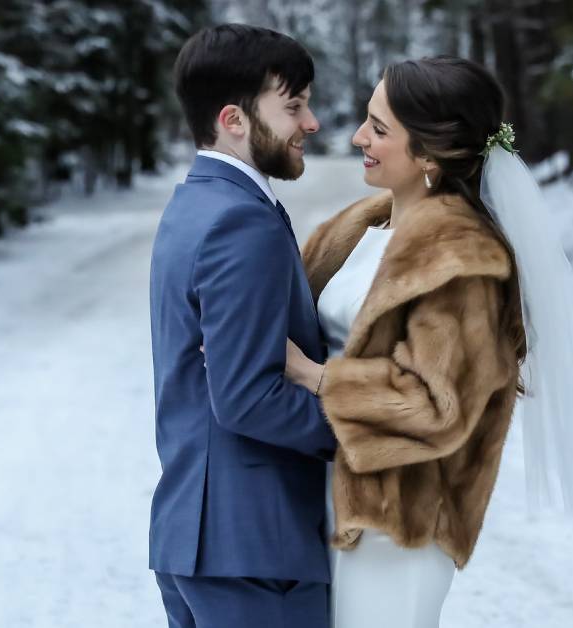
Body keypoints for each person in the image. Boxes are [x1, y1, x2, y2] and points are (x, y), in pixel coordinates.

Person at [284, 56, 573, 628]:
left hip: (399, 521)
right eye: (367, 119)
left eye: (379, 129)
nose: (358, 137)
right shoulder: (362, 225)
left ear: (430, 155)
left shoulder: (463, 260)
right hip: (329, 495)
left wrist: (313, 375)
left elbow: (437, 406)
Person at [148, 24, 336, 628]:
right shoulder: (240, 221)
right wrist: (370, 430)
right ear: (233, 119)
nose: (310, 123)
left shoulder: (194, 204)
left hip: (203, 540)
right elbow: (248, 398)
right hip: (255, 549)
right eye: (294, 106)